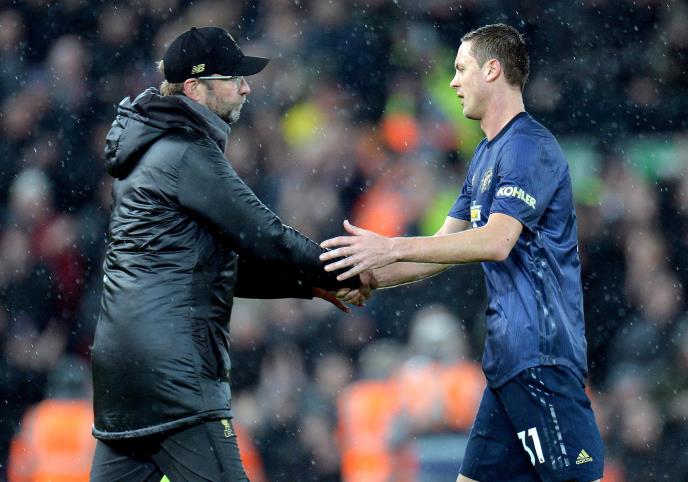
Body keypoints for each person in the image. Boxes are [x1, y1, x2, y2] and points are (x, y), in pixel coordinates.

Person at [321, 23, 604, 482]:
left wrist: (388, 246)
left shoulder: (528, 147)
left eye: (460, 69)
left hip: (541, 357)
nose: (453, 82)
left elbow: (496, 240)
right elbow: (438, 251)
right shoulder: (485, 158)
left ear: (492, 70)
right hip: (506, 363)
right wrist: (361, 276)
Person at [89, 26, 371, 481]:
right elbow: (266, 235)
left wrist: (310, 284)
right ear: (194, 88)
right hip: (176, 375)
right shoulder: (186, 151)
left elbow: (211, 268)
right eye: (232, 78)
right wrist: (348, 269)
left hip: (121, 377)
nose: (246, 87)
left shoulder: (148, 153)